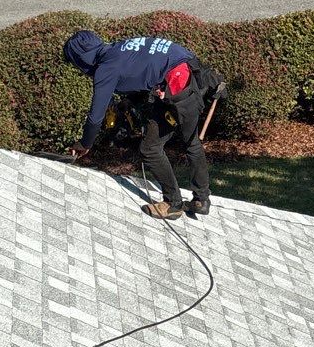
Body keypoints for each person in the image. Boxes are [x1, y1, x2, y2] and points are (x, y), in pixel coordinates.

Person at [63, 29, 225, 221]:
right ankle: (201, 200)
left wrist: (85, 143)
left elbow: (95, 118)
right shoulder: (117, 49)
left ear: (81, 59)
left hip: (178, 87)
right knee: (192, 143)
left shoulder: (106, 68)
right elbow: (147, 70)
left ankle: (173, 204)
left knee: (150, 149)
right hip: (191, 74)